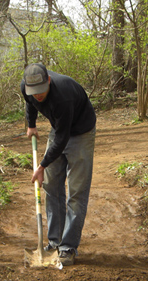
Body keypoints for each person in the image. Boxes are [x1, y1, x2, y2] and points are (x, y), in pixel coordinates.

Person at [21, 63, 96, 266]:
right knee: (51, 186)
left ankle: (68, 247)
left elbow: (62, 139)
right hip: (59, 128)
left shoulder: (63, 96)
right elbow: (30, 103)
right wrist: (31, 125)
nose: (37, 95)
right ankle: (54, 242)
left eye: (41, 91)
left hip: (80, 132)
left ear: (49, 81)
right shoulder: (27, 88)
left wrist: (41, 166)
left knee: (76, 191)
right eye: (33, 92)